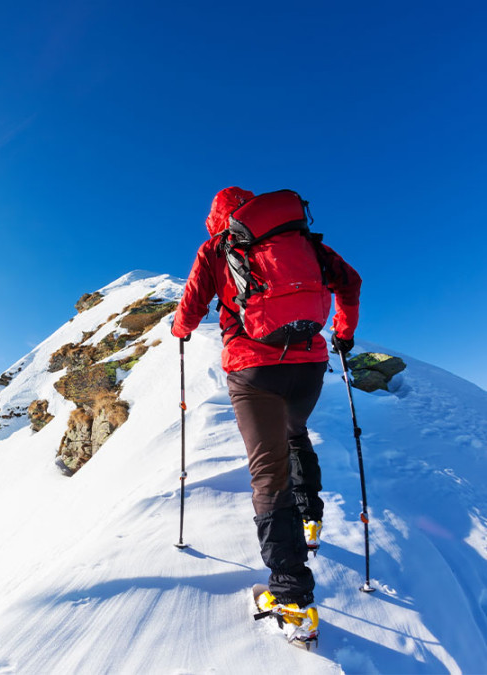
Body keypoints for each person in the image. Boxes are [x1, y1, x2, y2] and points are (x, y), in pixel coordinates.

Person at [171, 186, 361, 638]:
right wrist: (344, 334)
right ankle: (310, 516)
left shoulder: (218, 248)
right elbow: (349, 282)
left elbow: (193, 305)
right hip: (309, 364)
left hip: (252, 370)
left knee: (268, 472)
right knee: (296, 434)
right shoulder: (303, 241)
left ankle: (291, 596)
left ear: (218, 217)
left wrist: (179, 328)